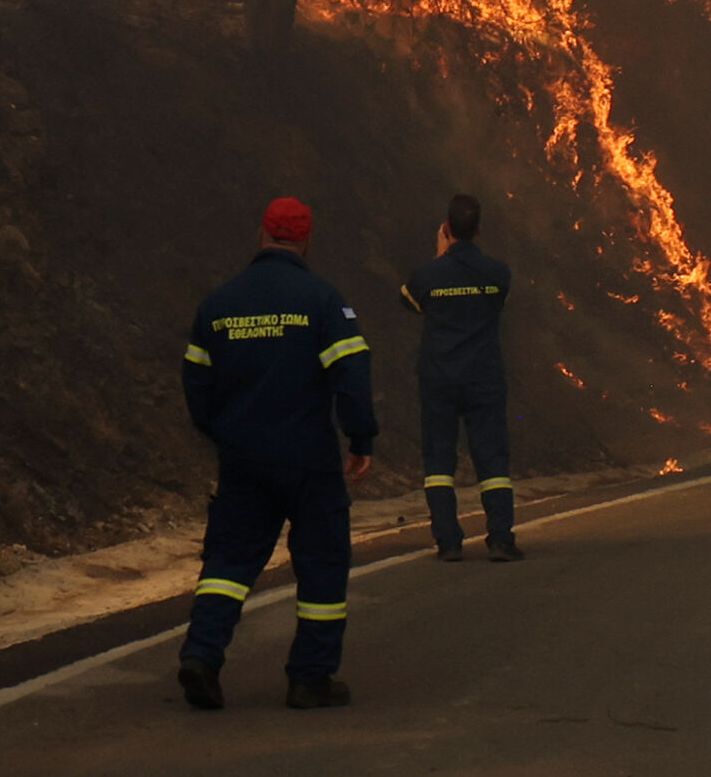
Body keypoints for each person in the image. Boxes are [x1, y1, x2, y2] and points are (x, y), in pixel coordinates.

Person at [176, 195, 378, 711]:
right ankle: (310, 678)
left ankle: (201, 656)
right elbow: (351, 376)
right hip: (308, 458)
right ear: (306, 241)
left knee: (228, 561)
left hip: (244, 457)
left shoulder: (218, 305)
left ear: (261, 235)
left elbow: (196, 383)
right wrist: (361, 440)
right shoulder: (323, 302)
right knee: (323, 563)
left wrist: (221, 433)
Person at [397, 192, 521, 561]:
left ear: (446, 229)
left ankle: (448, 541)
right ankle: (500, 538)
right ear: (479, 229)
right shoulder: (498, 273)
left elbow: (409, 302)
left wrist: (440, 260)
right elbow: (500, 303)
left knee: (438, 459)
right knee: (492, 458)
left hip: (439, 378)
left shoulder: (426, 275)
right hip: (483, 377)